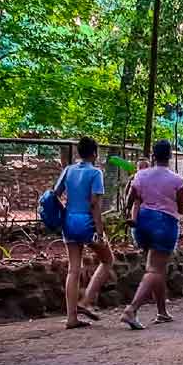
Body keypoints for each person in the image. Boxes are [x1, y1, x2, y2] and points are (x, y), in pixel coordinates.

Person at [122, 140, 183, 330]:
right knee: (155, 269)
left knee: (156, 268)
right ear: (170, 156)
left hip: (142, 223)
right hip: (164, 224)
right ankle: (131, 310)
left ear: (153, 155)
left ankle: (162, 311)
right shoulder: (177, 180)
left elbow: (131, 198)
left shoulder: (141, 175)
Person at [54, 136, 115, 329]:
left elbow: (55, 193)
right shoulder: (96, 173)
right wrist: (100, 231)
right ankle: (86, 300)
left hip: (69, 221)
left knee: (73, 269)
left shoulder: (68, 170)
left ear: (79, 153)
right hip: (86, 223)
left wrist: (64, 213)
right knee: (107, 260)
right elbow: (95, 205)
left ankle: (71, 318)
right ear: (95, 154)